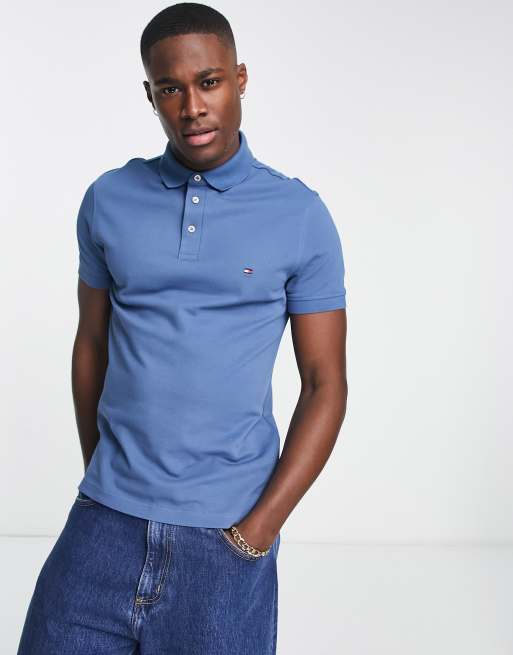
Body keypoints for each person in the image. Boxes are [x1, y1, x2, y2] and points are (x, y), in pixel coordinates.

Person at [17, 3, 348, 653]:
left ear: (240, 79)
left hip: (225, 540)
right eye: (170, 88)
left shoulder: (299, 214)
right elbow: (91, 343)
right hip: (104, 524)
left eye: (209, 82)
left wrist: (257, 530)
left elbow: (324, 383)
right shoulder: (109, 198)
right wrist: (101, 475)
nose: (192, 106)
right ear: (151, 96)